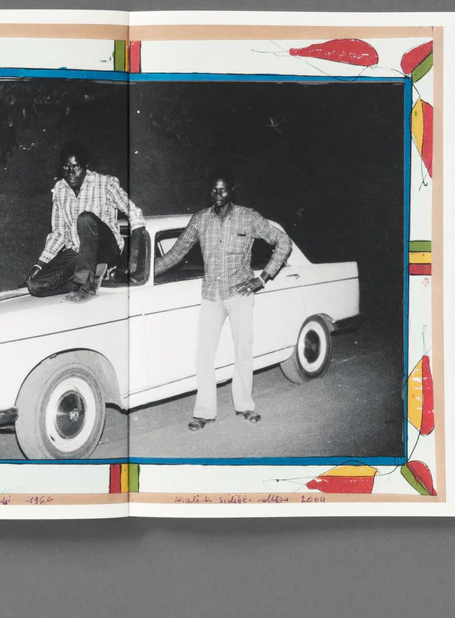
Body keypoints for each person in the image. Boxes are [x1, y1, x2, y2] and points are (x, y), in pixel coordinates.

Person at [153, 168, 292, 430]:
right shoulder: (200, 219)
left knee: (243, 352)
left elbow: (283, 242)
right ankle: (204, 412)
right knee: (204, 354)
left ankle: (245, 406)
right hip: (211, 295)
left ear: (232, 191)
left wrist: (263, 278)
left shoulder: (248, 217)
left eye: (223, 189)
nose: (218, 194)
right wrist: (142, 274)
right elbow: (175, 253)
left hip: (240, 293)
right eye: (214, 189)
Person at [26, 143, 146, 302]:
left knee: (85, 219)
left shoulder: (105, 183)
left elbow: (135, 213)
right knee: (35, 286)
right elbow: (59, 233)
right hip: (78, 251)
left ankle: (83, 285)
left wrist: (134, 251)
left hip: (106, 248)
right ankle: (91, 278)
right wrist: (40, 264)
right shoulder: (60, 189)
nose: (71, 173)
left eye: (76, 167)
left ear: (86, 165)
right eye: (66, 167)